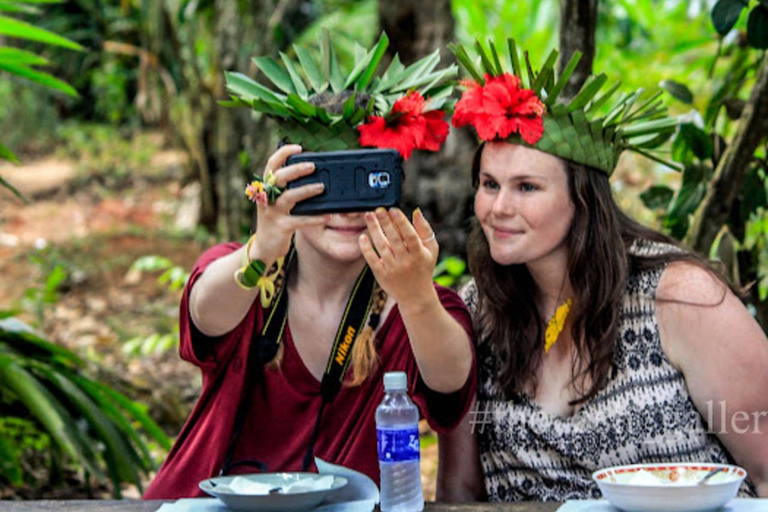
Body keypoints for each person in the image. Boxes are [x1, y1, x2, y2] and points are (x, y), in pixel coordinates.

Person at [144, 35, 475, 499]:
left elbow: (452, 379)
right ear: (284, 183)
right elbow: (205, 311)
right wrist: (261, 249)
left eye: (362, 179)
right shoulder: (245, 275)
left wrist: (417, 295)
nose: (345, 209)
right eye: (324, 181)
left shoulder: (416, 307)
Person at [437, 40, 768, 502]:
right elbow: (461, 494)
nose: (498, 207)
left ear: (583, 202)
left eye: (527, 187)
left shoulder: (678, 298)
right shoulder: (475, 310)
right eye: (489, 184)